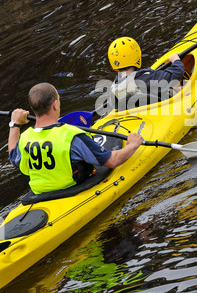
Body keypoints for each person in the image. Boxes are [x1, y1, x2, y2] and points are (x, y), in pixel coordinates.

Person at [8, 83, 143, 195]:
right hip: (71, 188)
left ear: (33, 108)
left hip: (41, 194)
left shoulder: (24, 139)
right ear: (55, 104)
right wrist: (132, 145)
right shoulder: (72, 135)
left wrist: (15, 125)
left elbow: (14, 159)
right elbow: (113, 161)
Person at [108, 37, 185, 110]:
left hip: (136, 112)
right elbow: (177, 73)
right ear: (136, 55)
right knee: (177, 87)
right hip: (157, 108)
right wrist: (176, 60)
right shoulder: (148, 77)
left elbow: (114, 105)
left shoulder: (114, 87)